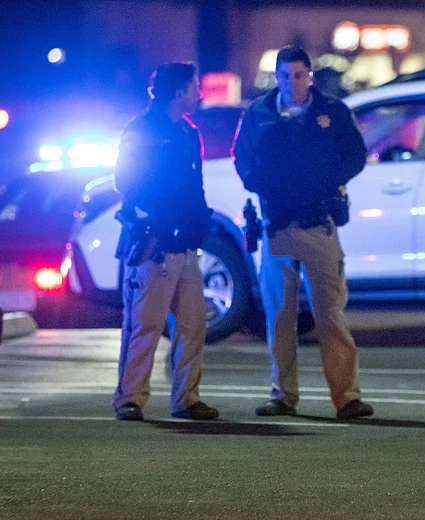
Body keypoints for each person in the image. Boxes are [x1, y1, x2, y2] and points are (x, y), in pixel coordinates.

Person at [232, 46, 374, 420]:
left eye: (297, 76)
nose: (290, 83)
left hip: (318, 221)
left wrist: (324, 182)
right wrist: (261, 184)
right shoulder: (259, 113)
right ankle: (282, 395)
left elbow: (355, 156)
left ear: (309, 76)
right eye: (284, 76)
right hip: (276, 223)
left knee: (330, 313)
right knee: (279, 315)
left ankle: (347, 397)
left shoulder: (332, 111)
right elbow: (242, 158)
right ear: (276, 77)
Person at [112, 63, 219, 422]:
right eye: (195, 86)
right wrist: (163, 217)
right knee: (144, 324)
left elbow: (195, 186)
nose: (199, 92)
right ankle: (130, 398)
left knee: (193, 324)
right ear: (178, 93)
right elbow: (126, 182)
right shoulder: (141, 130)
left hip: (185, 245)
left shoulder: (188, 132)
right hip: (153, 243)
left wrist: (198, 222)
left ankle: (187, 399)